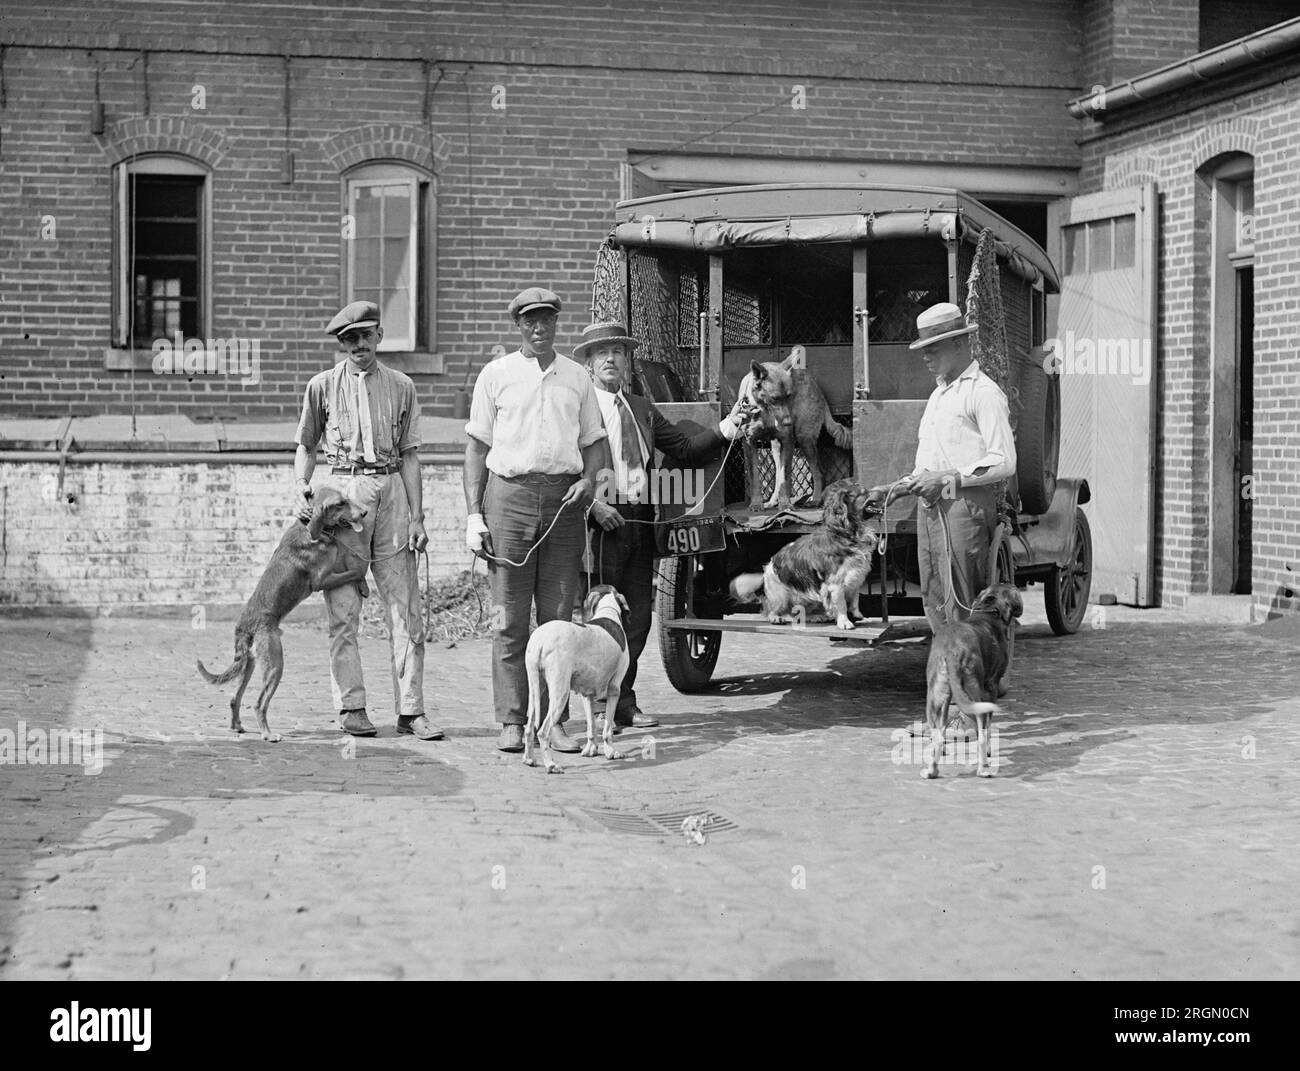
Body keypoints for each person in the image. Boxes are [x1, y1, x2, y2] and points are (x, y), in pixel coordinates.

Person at [576, 321, 752, 733]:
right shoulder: (578, 407)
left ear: (628, 360)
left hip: (639, 521)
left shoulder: (641, 408)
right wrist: (594, 506)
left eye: (618, 351)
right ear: (587, 363)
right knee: (602, 617)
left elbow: (686, 450)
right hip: (599, 521)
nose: (610, 359)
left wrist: (729, 426)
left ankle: (623, 704)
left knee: (638, 619)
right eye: (601, 352)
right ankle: (597, 707)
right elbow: (568, 466)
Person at [463, 288, 610, 754]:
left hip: (564, 502)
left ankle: (555, 722)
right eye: (530, 321)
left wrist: (589, 483)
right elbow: (477, 450)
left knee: (559, 619)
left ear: (556, 323)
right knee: (509, 617)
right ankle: (510, 719)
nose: (540, 328)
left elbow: (595, 443)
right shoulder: (497, 375)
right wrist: (473, 516)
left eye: (547, 319)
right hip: (509, 499)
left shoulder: (576, 378)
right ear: (518, 327)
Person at [292, 299, 443, 740]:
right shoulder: (321, 386)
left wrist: (417, 517)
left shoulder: (402, 385)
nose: (359, 345)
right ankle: (351, 705)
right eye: (349, 339)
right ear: (341, 344)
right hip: (345, 491)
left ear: (379, 335)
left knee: (405, 608)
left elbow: (412, 454)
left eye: (366, 335)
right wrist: (301, 488)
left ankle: (411, 710)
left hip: (391, 487)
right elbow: (305, 445)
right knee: (343, 607)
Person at [878, 302, 1016, 634]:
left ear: (959, 343)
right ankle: (950, 670)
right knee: (935, 596)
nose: (926, 357)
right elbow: (930, 460)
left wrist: (948, 478)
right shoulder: (939, 395)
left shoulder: (984, 393)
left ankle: (974, 678)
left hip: (964, 509)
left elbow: (1004, 461)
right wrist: (900, 486)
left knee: (965, 601)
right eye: (923, 349)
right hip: (931, 510)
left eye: (933, 348)